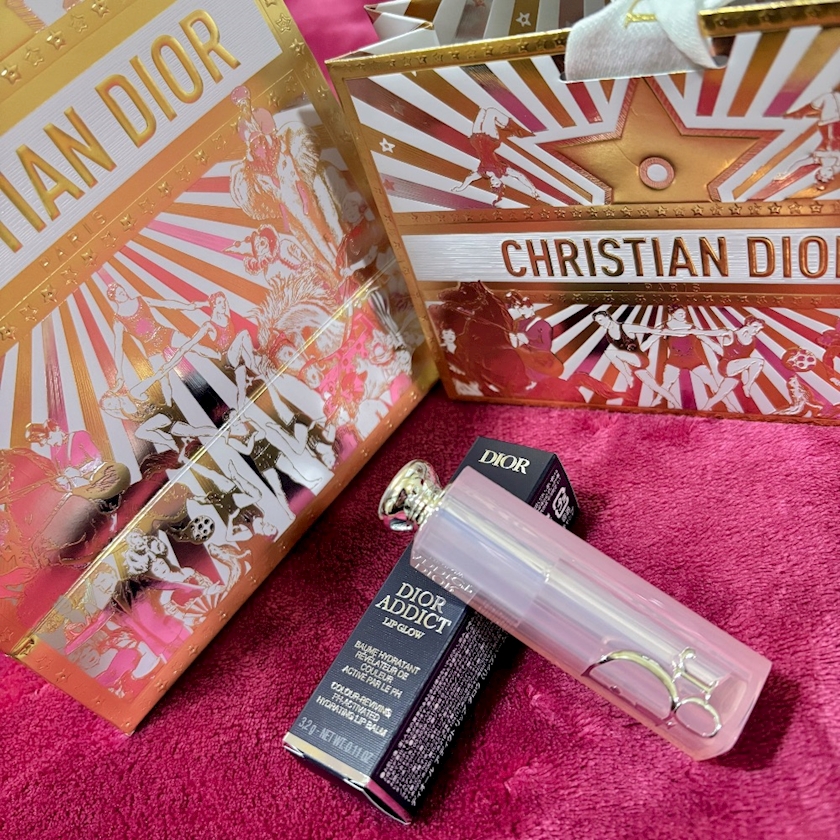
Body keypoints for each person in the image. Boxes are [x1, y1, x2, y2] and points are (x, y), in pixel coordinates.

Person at [452, 107, 540, 206]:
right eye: (497, 184)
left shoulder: (483, 172)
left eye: (493, 184)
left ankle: (504, 125)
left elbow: (470, 179)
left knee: (482, 111)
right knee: (491, 112)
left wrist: (460, 188)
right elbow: (519, 176)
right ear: (501, 182)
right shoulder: (501, 170)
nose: (493, 182)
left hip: (476, 140)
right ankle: (516, 129)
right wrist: (532, 189)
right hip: (490, 141)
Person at [704, 317, 766, 411]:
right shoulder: (731, 334)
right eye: (755, 327)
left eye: (759, 329)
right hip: (727, 365)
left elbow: (745, 358)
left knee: (720, 394)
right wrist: (693, 332)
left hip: (737, 370)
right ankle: (747, 385)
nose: (756, 330)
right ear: (748, 324)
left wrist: (746, 373)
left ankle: (704, 409)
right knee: (759, 361)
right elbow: (713, 333)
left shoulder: (752, 340)